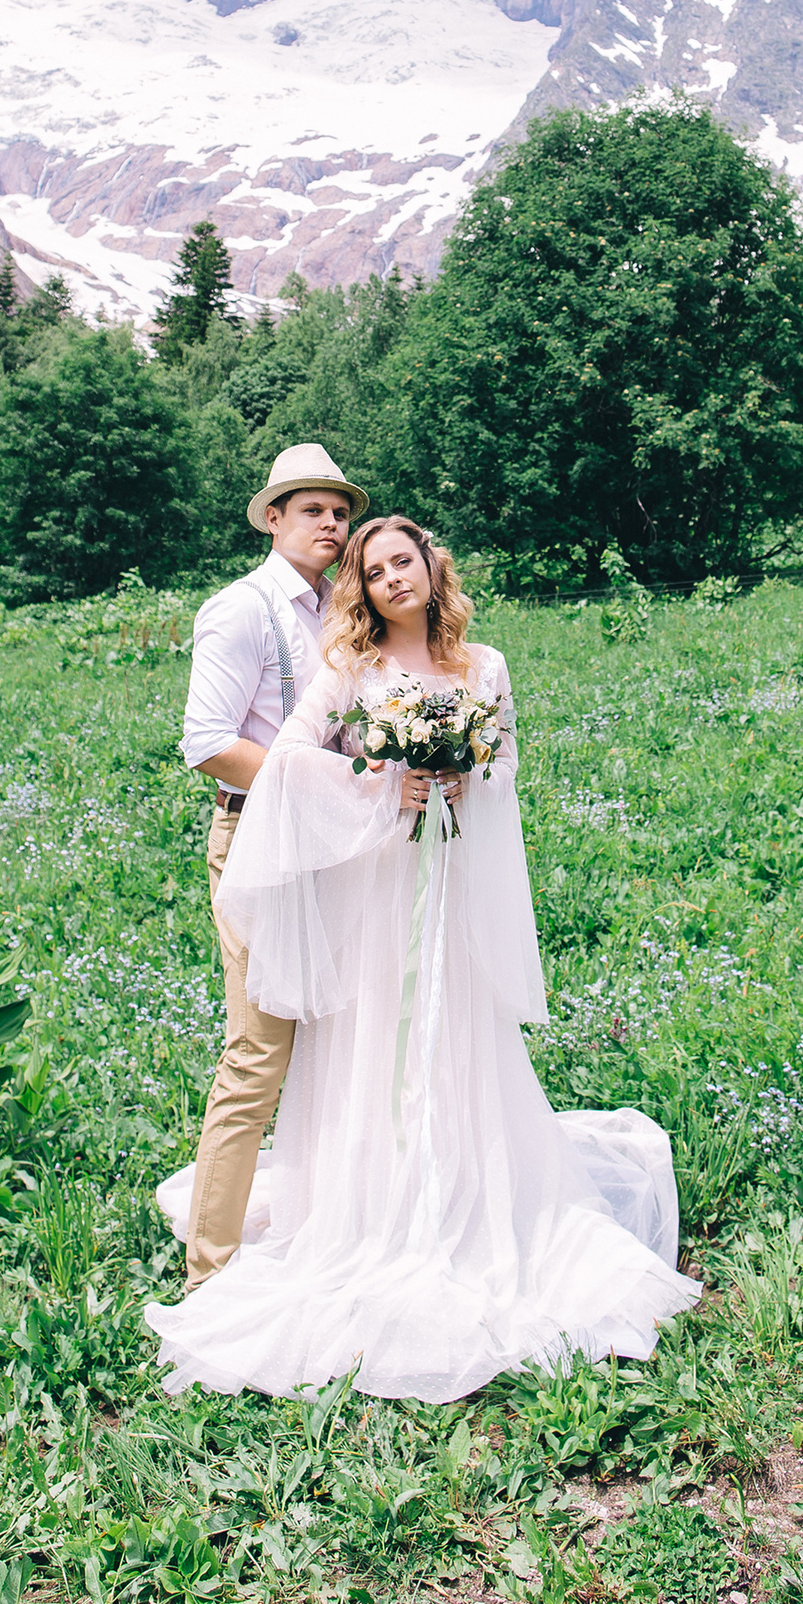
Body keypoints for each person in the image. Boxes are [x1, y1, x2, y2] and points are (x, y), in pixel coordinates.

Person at [147, 515, 701, 1401]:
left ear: (430, 568)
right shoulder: (351, 670)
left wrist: (463, 774)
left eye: (401, 561)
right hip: (375, 887)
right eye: (371, 571)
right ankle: (378, 1207)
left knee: (453, 1036)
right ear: (359, 591)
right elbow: (289, 760)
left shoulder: (485, 667)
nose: (389, 579)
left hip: (450, 880)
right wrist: (378, 783)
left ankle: (463, 1201)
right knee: (381, 1036)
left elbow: (507, 763)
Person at [178, 443, 368, 1294]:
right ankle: (210, 1268)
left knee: (338, 1039)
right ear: (273, 518)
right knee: (258, 1054)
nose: (331, 525)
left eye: (339, 512)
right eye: (312, 511)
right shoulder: (242, 610)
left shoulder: (339, 610)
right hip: (258, 840)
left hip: (336, 845)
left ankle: (328, 1224)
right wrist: (333, 782)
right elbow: (208, 745)